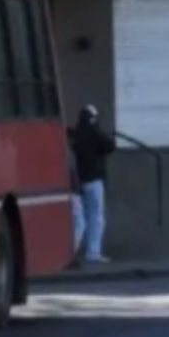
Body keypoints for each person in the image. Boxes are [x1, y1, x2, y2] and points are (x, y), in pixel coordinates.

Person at [71, 104, 116, 264]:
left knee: (81, 219)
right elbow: (110, 145)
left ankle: (74, 252)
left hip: (80, 181)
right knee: (96, 217)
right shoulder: (94, 132)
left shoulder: (76, 134)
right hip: (94, 180)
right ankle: (93, 252)